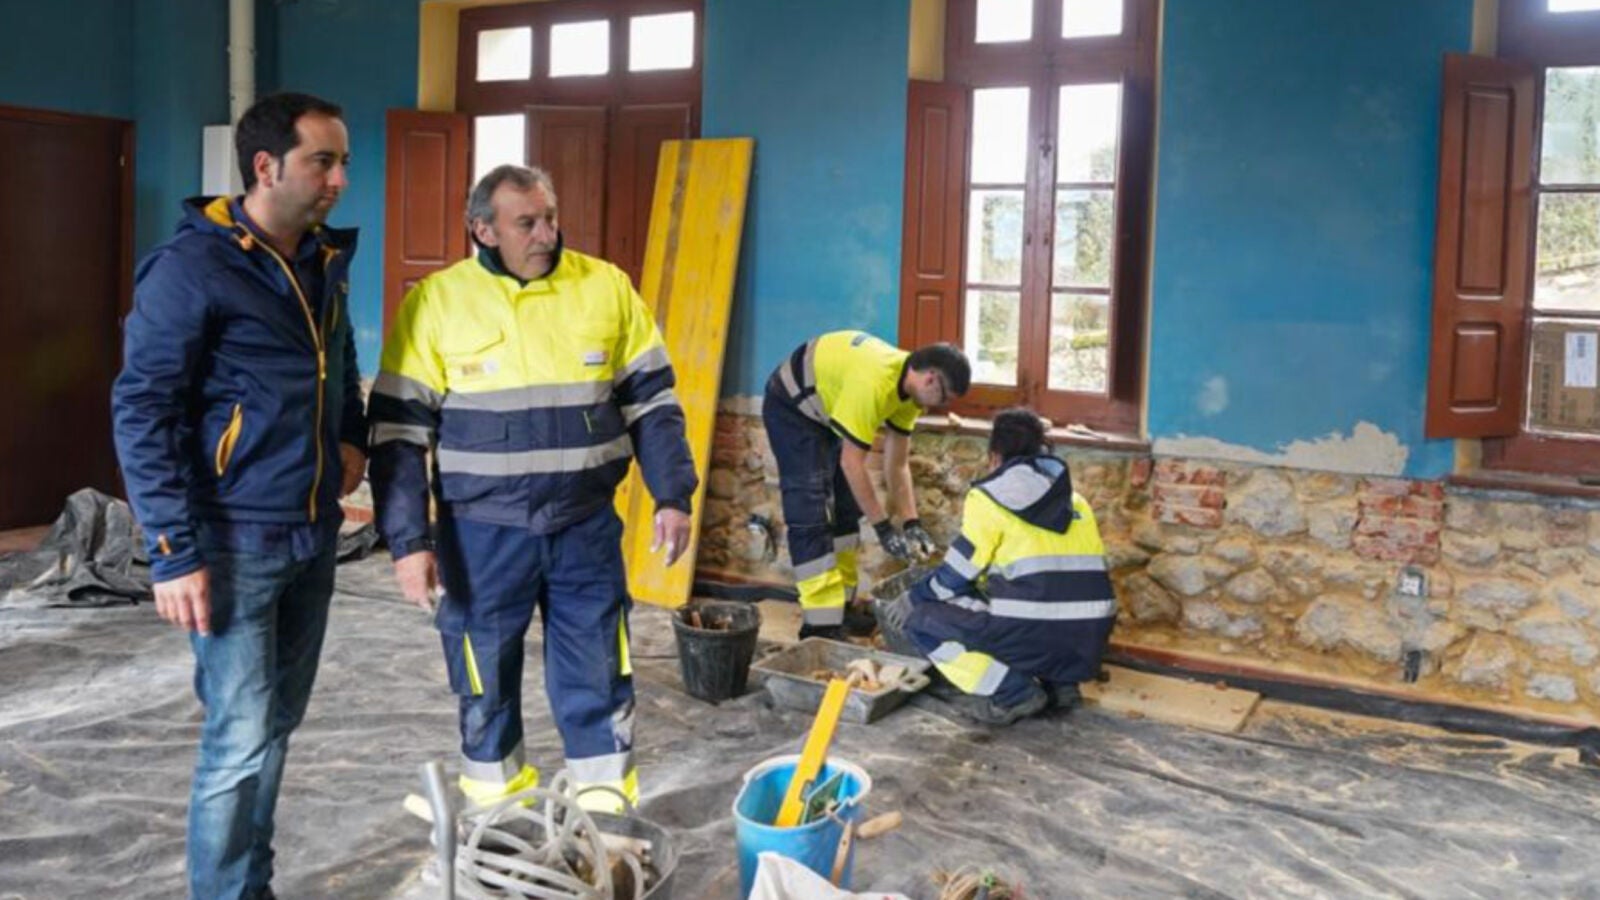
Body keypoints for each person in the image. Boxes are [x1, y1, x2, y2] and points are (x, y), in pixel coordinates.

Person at [367, 164, 696, 814]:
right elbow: (399, 435)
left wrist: (672, 494)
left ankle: (604, 814)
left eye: (550, 218)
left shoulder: (605, 287)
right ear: (483, 230)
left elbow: (653, 404)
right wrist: (408, 542)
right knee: (483, 673)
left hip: (585, 527)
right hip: (481, 536)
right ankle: (498, 807)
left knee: (599, 667)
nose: (547, 233)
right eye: (527, 223)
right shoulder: (436, 302)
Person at [111, 92, 365, 900]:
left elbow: (338, 357)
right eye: (323, 161)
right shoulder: (193, 268)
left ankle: (250, 887)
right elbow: (143, 409)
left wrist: (351, 436)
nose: (340, 179)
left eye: (343, 162)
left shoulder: (322, 259)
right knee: (239, 739)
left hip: (311, 531)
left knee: (275, 727)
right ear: (266, 166)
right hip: (232, 541)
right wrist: (170, 551)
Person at [880, 408, 1117, 726]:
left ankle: (1014, 693)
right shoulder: (1075, 500)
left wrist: (915, 596)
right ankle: (1062, 686)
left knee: (923, 621)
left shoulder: (988, 498)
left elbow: (957, 574)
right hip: (1090, 636)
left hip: (1035, 631)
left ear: (994, 457)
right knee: (1030, 602)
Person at [762, 331, 970, 638]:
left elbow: (897, 465)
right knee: (811, 514)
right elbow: (852, 463)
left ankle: (841, 609)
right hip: (792, 408)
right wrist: (883, 528)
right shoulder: (874, 383)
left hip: (826, 409)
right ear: (930, 379)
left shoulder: (909, 393)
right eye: (945, 398)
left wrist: (911, 523)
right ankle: (820, 626)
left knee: (847, 508)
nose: (942, 405)